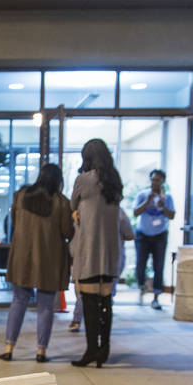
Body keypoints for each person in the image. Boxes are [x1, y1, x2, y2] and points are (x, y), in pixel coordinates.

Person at [0, 164, 73, 363]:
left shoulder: (21, 196)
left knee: (18, 301)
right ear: (58, 180)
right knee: (46, 305)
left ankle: (9, 347)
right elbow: (67, 232)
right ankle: (41, 351)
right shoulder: (62, 202)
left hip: (23, 256)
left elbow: (13, 222)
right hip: (49, 259)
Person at [68, 138, 125, 368]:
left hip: (90, 251)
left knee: (90, 302)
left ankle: (92, 349)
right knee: (106, 302)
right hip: (110, 253)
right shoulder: (115, 181)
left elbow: (73, 205)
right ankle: (104, 349)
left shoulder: (84, 180)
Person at [133, 168, 175, 310]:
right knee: (140, 264)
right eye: (152, 179)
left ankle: (156, 298)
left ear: (162, 181)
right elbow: (135, 212)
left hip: (160, 235)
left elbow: (171, 215)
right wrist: (147, 201)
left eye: (157, 180)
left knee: (158, 266)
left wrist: (163, 206)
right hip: (143, 234)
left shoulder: (167, 197)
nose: (154, 182)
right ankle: (142, 286)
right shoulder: (142, 194)